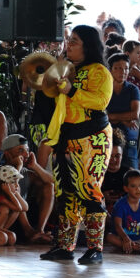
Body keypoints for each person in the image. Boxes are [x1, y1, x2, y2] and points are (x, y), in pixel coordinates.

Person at [39, 25, 114, 265]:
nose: (69, 44)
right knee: (65, 193)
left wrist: (72, 91)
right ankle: (65, 246)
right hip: (65, 137)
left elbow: (100, 101)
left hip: (93, 137)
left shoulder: (100, 71)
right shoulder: (67, 69)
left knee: (89, 191)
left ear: (88, 46)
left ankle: (95, 248)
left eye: (75, 41)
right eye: (69, 40)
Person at [106, 52, 140, 169]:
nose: (123, 72)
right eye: (118, 68)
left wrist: (112, 117)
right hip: (108, 137)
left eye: (126, 68)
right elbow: (101, 115)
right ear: (110, 70)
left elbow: (135, 114)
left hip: (129, 136)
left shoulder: (133, 89)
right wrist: (124, 119)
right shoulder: (104, 89)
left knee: (131, 170)